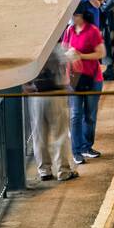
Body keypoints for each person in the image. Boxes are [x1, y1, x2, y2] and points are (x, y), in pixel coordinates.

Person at [25, 44, 77, 182]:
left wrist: (27, 87)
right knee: (60, 134)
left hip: (36, 97)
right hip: (56, 94)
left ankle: (44, 171)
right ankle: (63, 171)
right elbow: (72, 61)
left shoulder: (31, 49)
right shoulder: (57, 47)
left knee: (39, 136)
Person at [62, 3, 103, 163]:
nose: (72, 19)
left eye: (74, 16)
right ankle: (76, 150)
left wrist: (81, 56)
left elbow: (101, 53)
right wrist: (69, 55)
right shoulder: (69, 31)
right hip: (74, 78)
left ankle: (87, 146)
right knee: (75, 114)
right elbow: (64, 50)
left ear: (81, 16)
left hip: (92, 77)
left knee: (90, 114)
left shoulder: (92, 31)